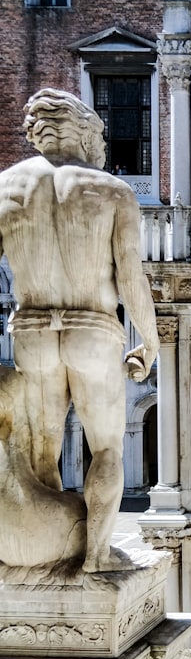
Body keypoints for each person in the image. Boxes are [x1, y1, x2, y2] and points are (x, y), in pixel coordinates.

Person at [0, 88, 159, 573]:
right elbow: (131, 279)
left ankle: (42, 554)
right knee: (107, 445)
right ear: (88, 133)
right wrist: (149, 341)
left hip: (30, 328)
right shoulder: (110, 190)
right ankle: (95, 557)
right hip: (92, 328)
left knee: (40, 453)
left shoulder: (6, 186)